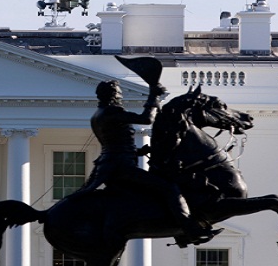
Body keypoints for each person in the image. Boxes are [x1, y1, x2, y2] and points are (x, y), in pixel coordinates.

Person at [84, 80, 221, 245]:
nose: (121, 97)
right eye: (119, 93)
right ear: (113, 95)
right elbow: (147, 119)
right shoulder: (111, 112)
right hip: (121, 167)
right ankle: (189, 230)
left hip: (113, 164)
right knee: (169, 188)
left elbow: (114, 143)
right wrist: (153, 97)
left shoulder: (98, 114)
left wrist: (139, 151)